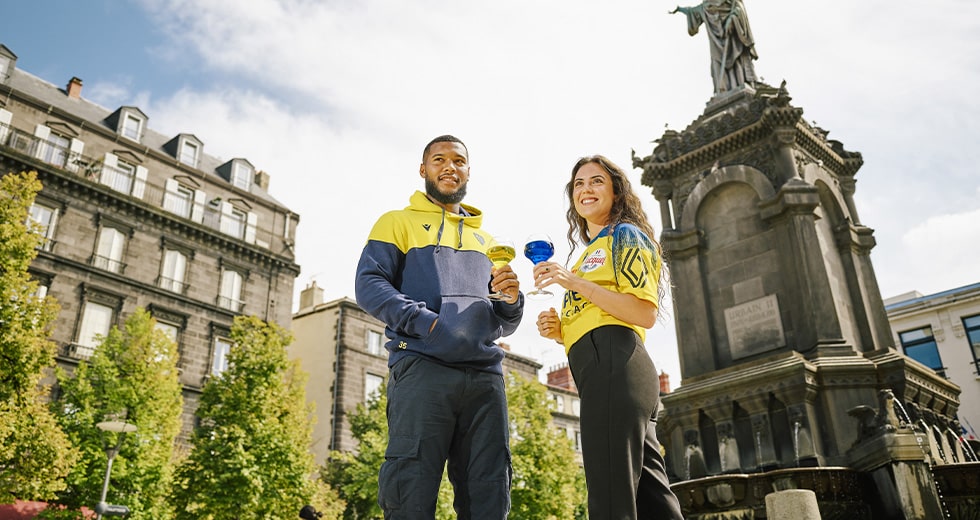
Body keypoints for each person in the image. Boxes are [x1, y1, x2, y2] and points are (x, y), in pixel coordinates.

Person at [354, 134, 523, 519]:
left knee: (490, 494)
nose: (450, 167)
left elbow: (505, 321)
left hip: (484, 378)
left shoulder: (488, 241)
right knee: (410, 490)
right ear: (423, 169)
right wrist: (427, 325)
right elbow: (369, 285)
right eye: (439, 159)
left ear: (468, 171)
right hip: (422, 367)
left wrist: (512, 300)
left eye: (459, 160)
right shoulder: (396, 222)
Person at [534, 155, 684, 520]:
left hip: (616, 366)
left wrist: (572, 282)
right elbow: (597, 316)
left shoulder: (625, 235)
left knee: (609, 495)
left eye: (596, 181)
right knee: (651, 497)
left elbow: (641, 313)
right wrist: (561, 331)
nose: (586, 189)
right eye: (579, 184)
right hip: (604, 371)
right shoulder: (590, 251)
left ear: (616, 192)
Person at [671, 0, 758, 94]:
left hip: (733, 39)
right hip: (716, 46)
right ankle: (724, 91)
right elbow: (692, 12)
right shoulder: (705, 7)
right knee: (718, 66)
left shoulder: (730, 2)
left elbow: (739, 7)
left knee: (737, 62)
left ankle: (740, 83)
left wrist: (732, 18)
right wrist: (680, 9)